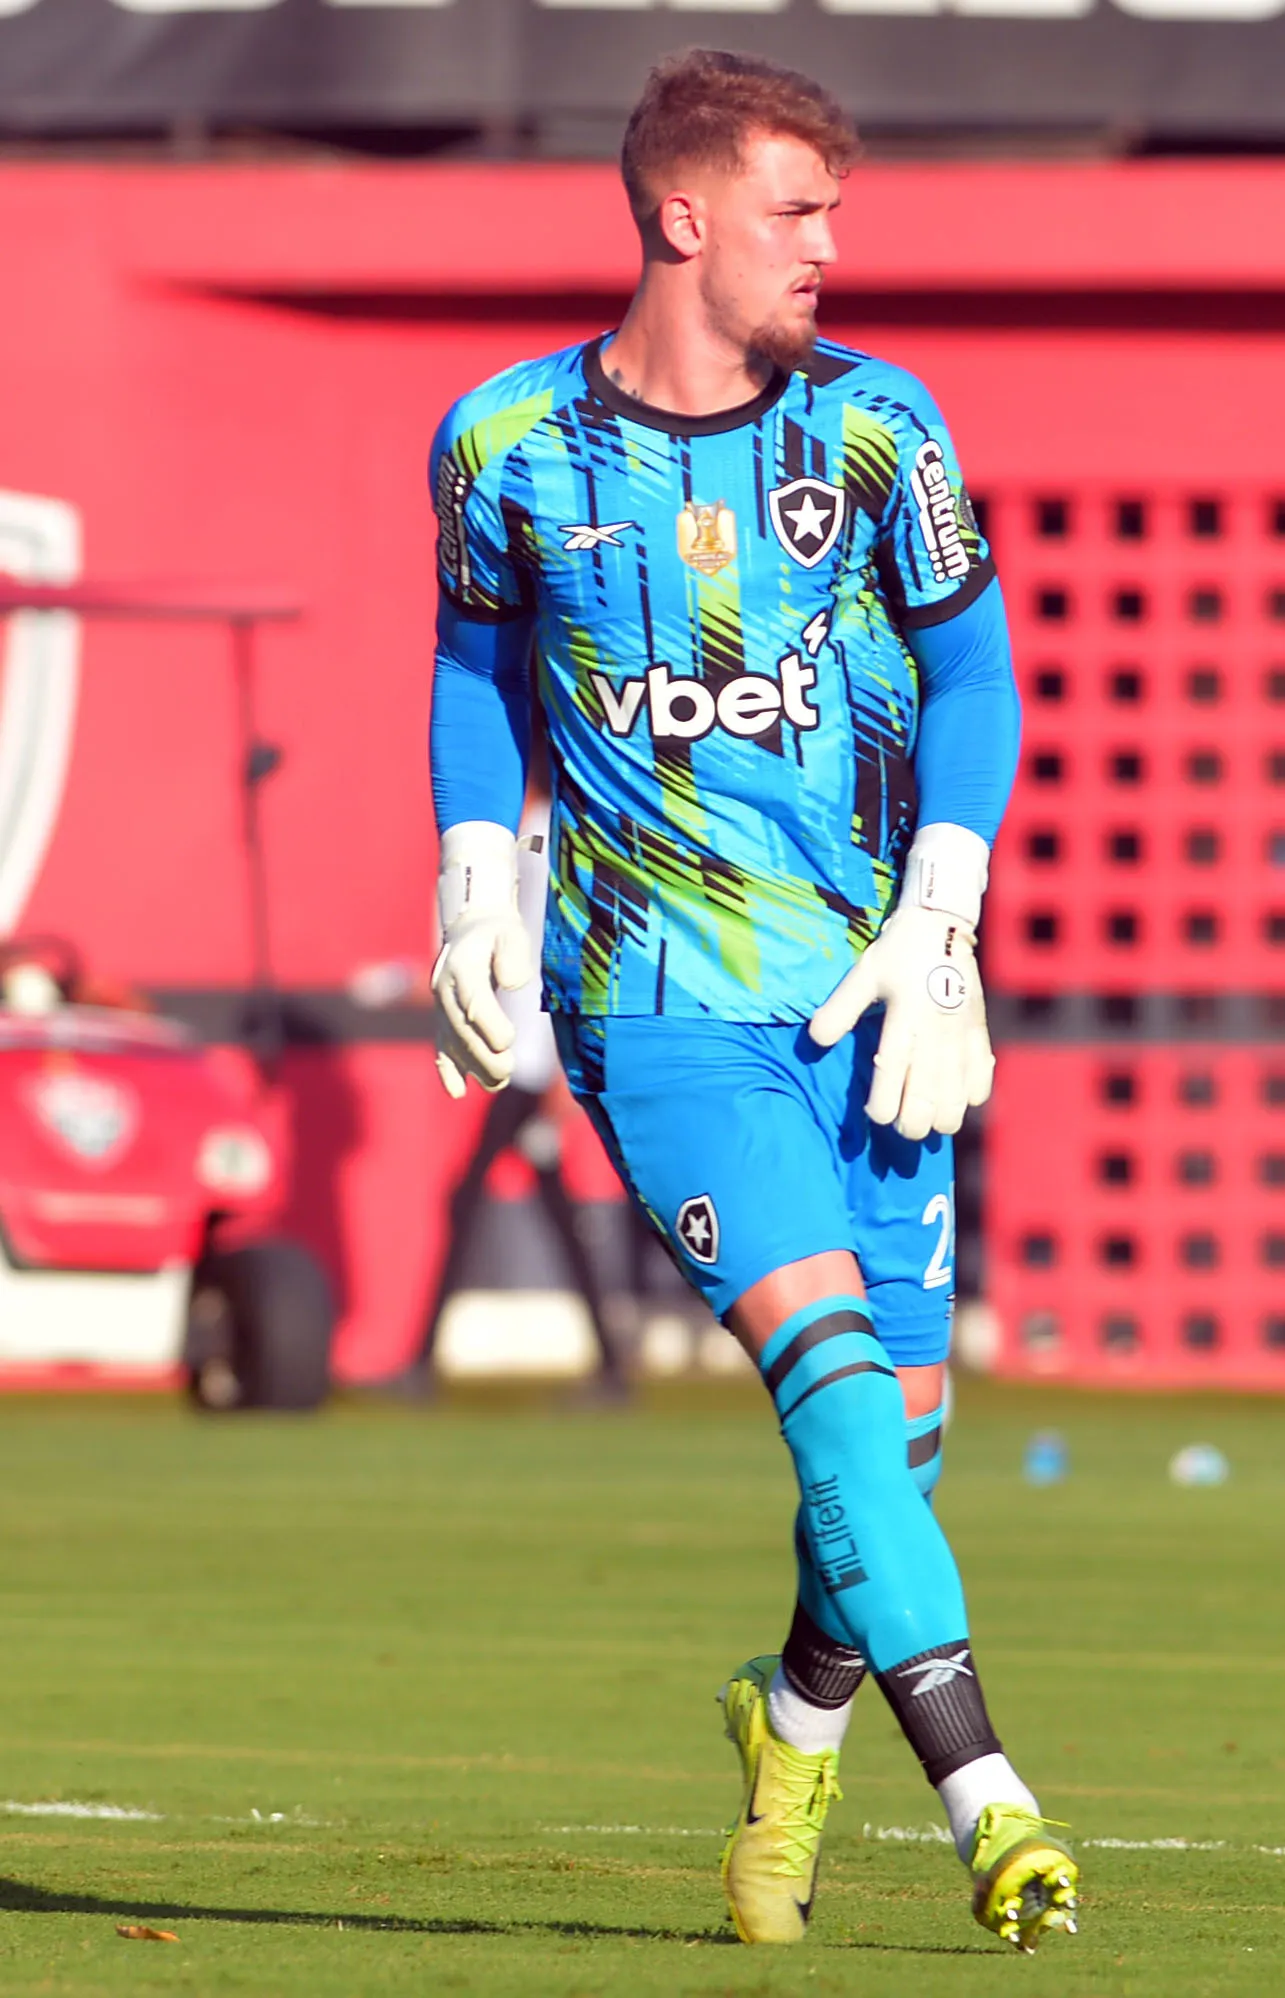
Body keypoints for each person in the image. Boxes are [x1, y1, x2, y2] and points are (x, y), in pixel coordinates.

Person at [421, 49, 1069, 1952]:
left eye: (837, 214)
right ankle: (992, 1797)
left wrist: (942, 909)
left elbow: (974, 684)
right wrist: (477, 866)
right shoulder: (505, 443)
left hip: (877, 1005)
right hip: (659, 1005)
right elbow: (474, 667)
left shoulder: (879, 431)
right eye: (800, 214)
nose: (831, 252)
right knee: (839, 1392)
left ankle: (789, 1726)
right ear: (682, 217)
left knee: (895, 1455)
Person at [396, 805, 636, 1404]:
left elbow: (578, 947)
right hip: (522, 1051)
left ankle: (422, 1362)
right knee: (549, 1214)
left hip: (535, 1059)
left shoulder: (555, 826)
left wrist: (561, 1062)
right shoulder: (524, 823)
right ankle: (612, 1366)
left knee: (469, 1198)